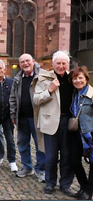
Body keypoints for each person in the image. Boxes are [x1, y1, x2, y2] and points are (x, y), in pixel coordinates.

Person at [33, 50, 74, 197]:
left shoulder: (72, 79)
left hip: (68, 123)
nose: (61, 66)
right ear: (53, 64)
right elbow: (36, 99)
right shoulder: (44, 78)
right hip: (50, 122)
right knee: (50, 157)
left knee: (66, 155)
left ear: (68, 64)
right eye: (58, 63)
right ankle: (50, 183)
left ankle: (65, 184)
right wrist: (49, 91)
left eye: (64, 63)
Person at [9, 54, 45, 182]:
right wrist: (13, 114)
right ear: (20, 65)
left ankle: (41, 170)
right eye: (22, 62)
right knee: (23, 144)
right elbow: (12, 97)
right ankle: (27, 167)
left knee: (40, 144)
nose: (25, 63)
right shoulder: (18, 78)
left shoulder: (41, 76)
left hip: (37, 118)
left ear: (33, 62)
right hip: (22, 117)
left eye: (27, 61)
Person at [68, 66, 93, 200]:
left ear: (86, 79)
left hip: (90, 134)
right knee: (74, 160)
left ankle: (88, 191)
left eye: (80, 78)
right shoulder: (75, 94)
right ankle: (83, 186)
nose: (77, 81)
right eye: (75, 78)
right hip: (77, 134)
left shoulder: (91, 94)